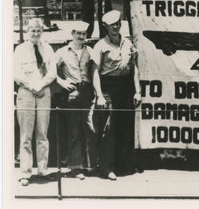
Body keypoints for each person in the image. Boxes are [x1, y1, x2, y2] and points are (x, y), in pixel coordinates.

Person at [93, 10, 141, 180]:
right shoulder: (100, 46)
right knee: (109, 127)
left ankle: (124, 165)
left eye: (118, 24)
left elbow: (134, 68)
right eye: (112, 25)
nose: (115, 27)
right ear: (105, 27)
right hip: (108, 87)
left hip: (126, 87)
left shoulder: (128, 44)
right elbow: (95, 73)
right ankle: (107, 168)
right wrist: (99, 94)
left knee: (125, 126)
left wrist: (137, 91)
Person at [55, 22, 106, 180]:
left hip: (88, 93)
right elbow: (51, 72)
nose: (81, 37)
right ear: (72, 33)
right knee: (74, 131)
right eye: (78, 33)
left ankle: (91, 165)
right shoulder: (62, 52)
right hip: (72, 94)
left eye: (84, 33)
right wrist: (63, 83)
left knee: (90, 128)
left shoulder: (90, 51)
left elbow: (95, 72)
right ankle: (76, 168)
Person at [14, 18, 57, 186]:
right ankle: (25, 172)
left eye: (39, 30)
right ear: (27, 31)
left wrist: (40, 85)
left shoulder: (48, 49)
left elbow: (52, 72)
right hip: (26, 92)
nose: (36, 33)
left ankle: (42, 169)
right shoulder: (19, 49)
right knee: (25, 135)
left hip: (43, 92)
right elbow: (16, 72)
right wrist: (32, 86)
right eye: (33, 30)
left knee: (42, 133)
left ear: (42, 32)